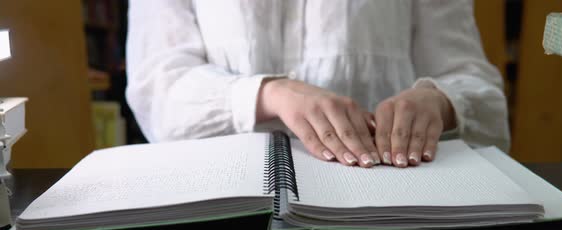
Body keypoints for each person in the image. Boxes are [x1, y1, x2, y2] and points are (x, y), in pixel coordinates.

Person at [126, 0, 510, 168]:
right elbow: (156, 86)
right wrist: (268, 94)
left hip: (390, 205)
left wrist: (437, 100)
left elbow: (473, 80)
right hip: (219, 219)